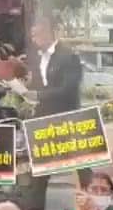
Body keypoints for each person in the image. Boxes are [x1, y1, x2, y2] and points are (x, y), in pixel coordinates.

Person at [19, 16, 91, 190]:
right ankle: (35, 199)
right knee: (41, 163)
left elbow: (68, 89)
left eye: (37, 35)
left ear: (48, 33)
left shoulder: (68, 56)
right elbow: (43, 83)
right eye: (32, 35)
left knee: (80, 162)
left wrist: (39, 95)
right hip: (45, 117)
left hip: (66, 117)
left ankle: (92, 192)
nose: (34, 40)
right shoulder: (39, 57)